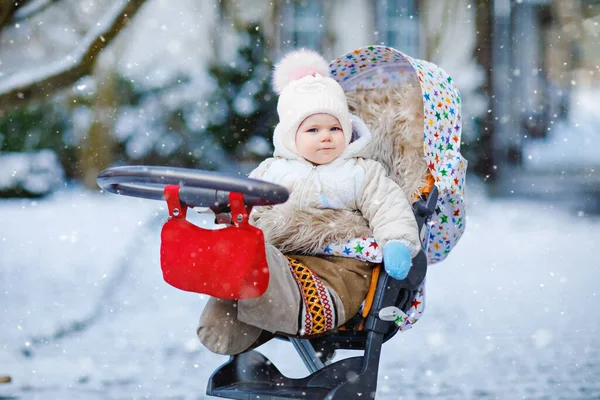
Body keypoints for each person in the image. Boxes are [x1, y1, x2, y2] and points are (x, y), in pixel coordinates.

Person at [197, 49, 420, 355]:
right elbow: (245, 205)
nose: (326, 137)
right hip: (283, 260)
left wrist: (397, 241)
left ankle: (256, 279)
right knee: (248, 245)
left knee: (256, 255)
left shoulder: (361, 171)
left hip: (337, 273)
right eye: (313, 130)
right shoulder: (272, 171)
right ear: (291, 135)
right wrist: (224, 211)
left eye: (335, 128)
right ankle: (231, 306)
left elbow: (389, 206)